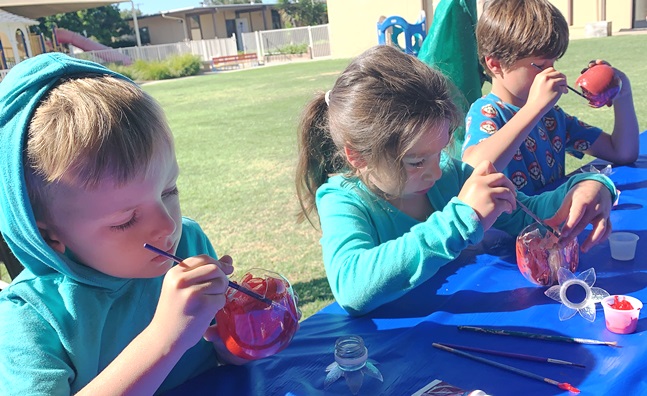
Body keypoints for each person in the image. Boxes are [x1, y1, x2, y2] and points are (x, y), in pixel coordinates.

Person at [295, 45, 616, 316]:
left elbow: (525, 213)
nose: (435, 171)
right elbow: (351, 288)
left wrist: (588, 186)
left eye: (439, 151)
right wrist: (459, 221)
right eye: (417, 161)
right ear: (358, 157)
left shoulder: (448, 175)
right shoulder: (341, 199)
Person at [0, 53, 253, 395]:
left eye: (169, 190)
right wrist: (164, 337)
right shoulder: (30, 319)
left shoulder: (188, 243)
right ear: (48, 236)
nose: (167, 226)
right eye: (126, 220)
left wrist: (239, 330)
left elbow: (224, 358)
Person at [461, 0, 639, 195]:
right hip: (511, 226)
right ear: (495, 64)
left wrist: (623, 93)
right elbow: (472, 169)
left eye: (554, 63)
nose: (552, 72)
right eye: (540, 65)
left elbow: (622, 152)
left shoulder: (552, 118)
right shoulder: (488, 112)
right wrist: (534, 109)